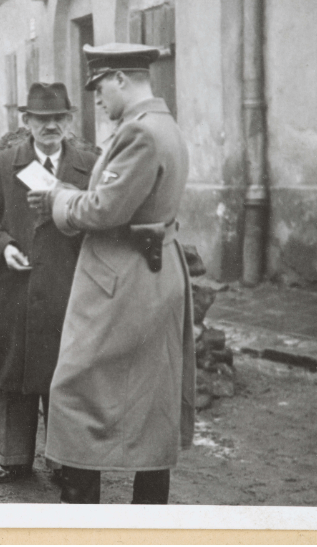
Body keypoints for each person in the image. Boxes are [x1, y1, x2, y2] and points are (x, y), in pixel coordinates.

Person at [28, 43, 195, 504]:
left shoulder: (139, 134)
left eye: (100, 87)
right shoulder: (163, 126)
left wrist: (57, 201)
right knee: (149, 402)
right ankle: (147, 515)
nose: (98, 99)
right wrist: (70, 191)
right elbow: (126, 197)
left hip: (121, 281)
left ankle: (82, 517)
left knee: (75, 394)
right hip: (153, 273)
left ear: (121, 78)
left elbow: (105, 209)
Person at [0, 83, 96, 485]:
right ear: (27, 122)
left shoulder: (91, 165)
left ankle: (64, 458)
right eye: (42, 119)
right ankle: (14, 457)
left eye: (58, 118)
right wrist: (1, 247)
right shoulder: (5, 165)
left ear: (69, 121)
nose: (51, 126)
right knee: (14, 374)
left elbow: (106, 215)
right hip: (17, 286)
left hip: (71, 285)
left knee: (67, 375)